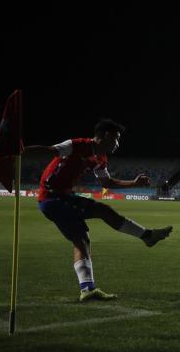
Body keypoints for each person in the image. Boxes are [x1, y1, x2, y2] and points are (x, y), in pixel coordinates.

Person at [24, 119, 172, 302]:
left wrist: (134, 183)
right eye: (116, 139)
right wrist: (21, 151)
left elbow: (107, 183)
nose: (118, 144)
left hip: (62, 198)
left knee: (81, 240)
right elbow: (50, 151)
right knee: (103, 210)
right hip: (52, 198)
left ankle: (87, 289)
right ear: (106, 136)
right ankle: (147, 236)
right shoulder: (77, 145)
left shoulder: (100, 159)